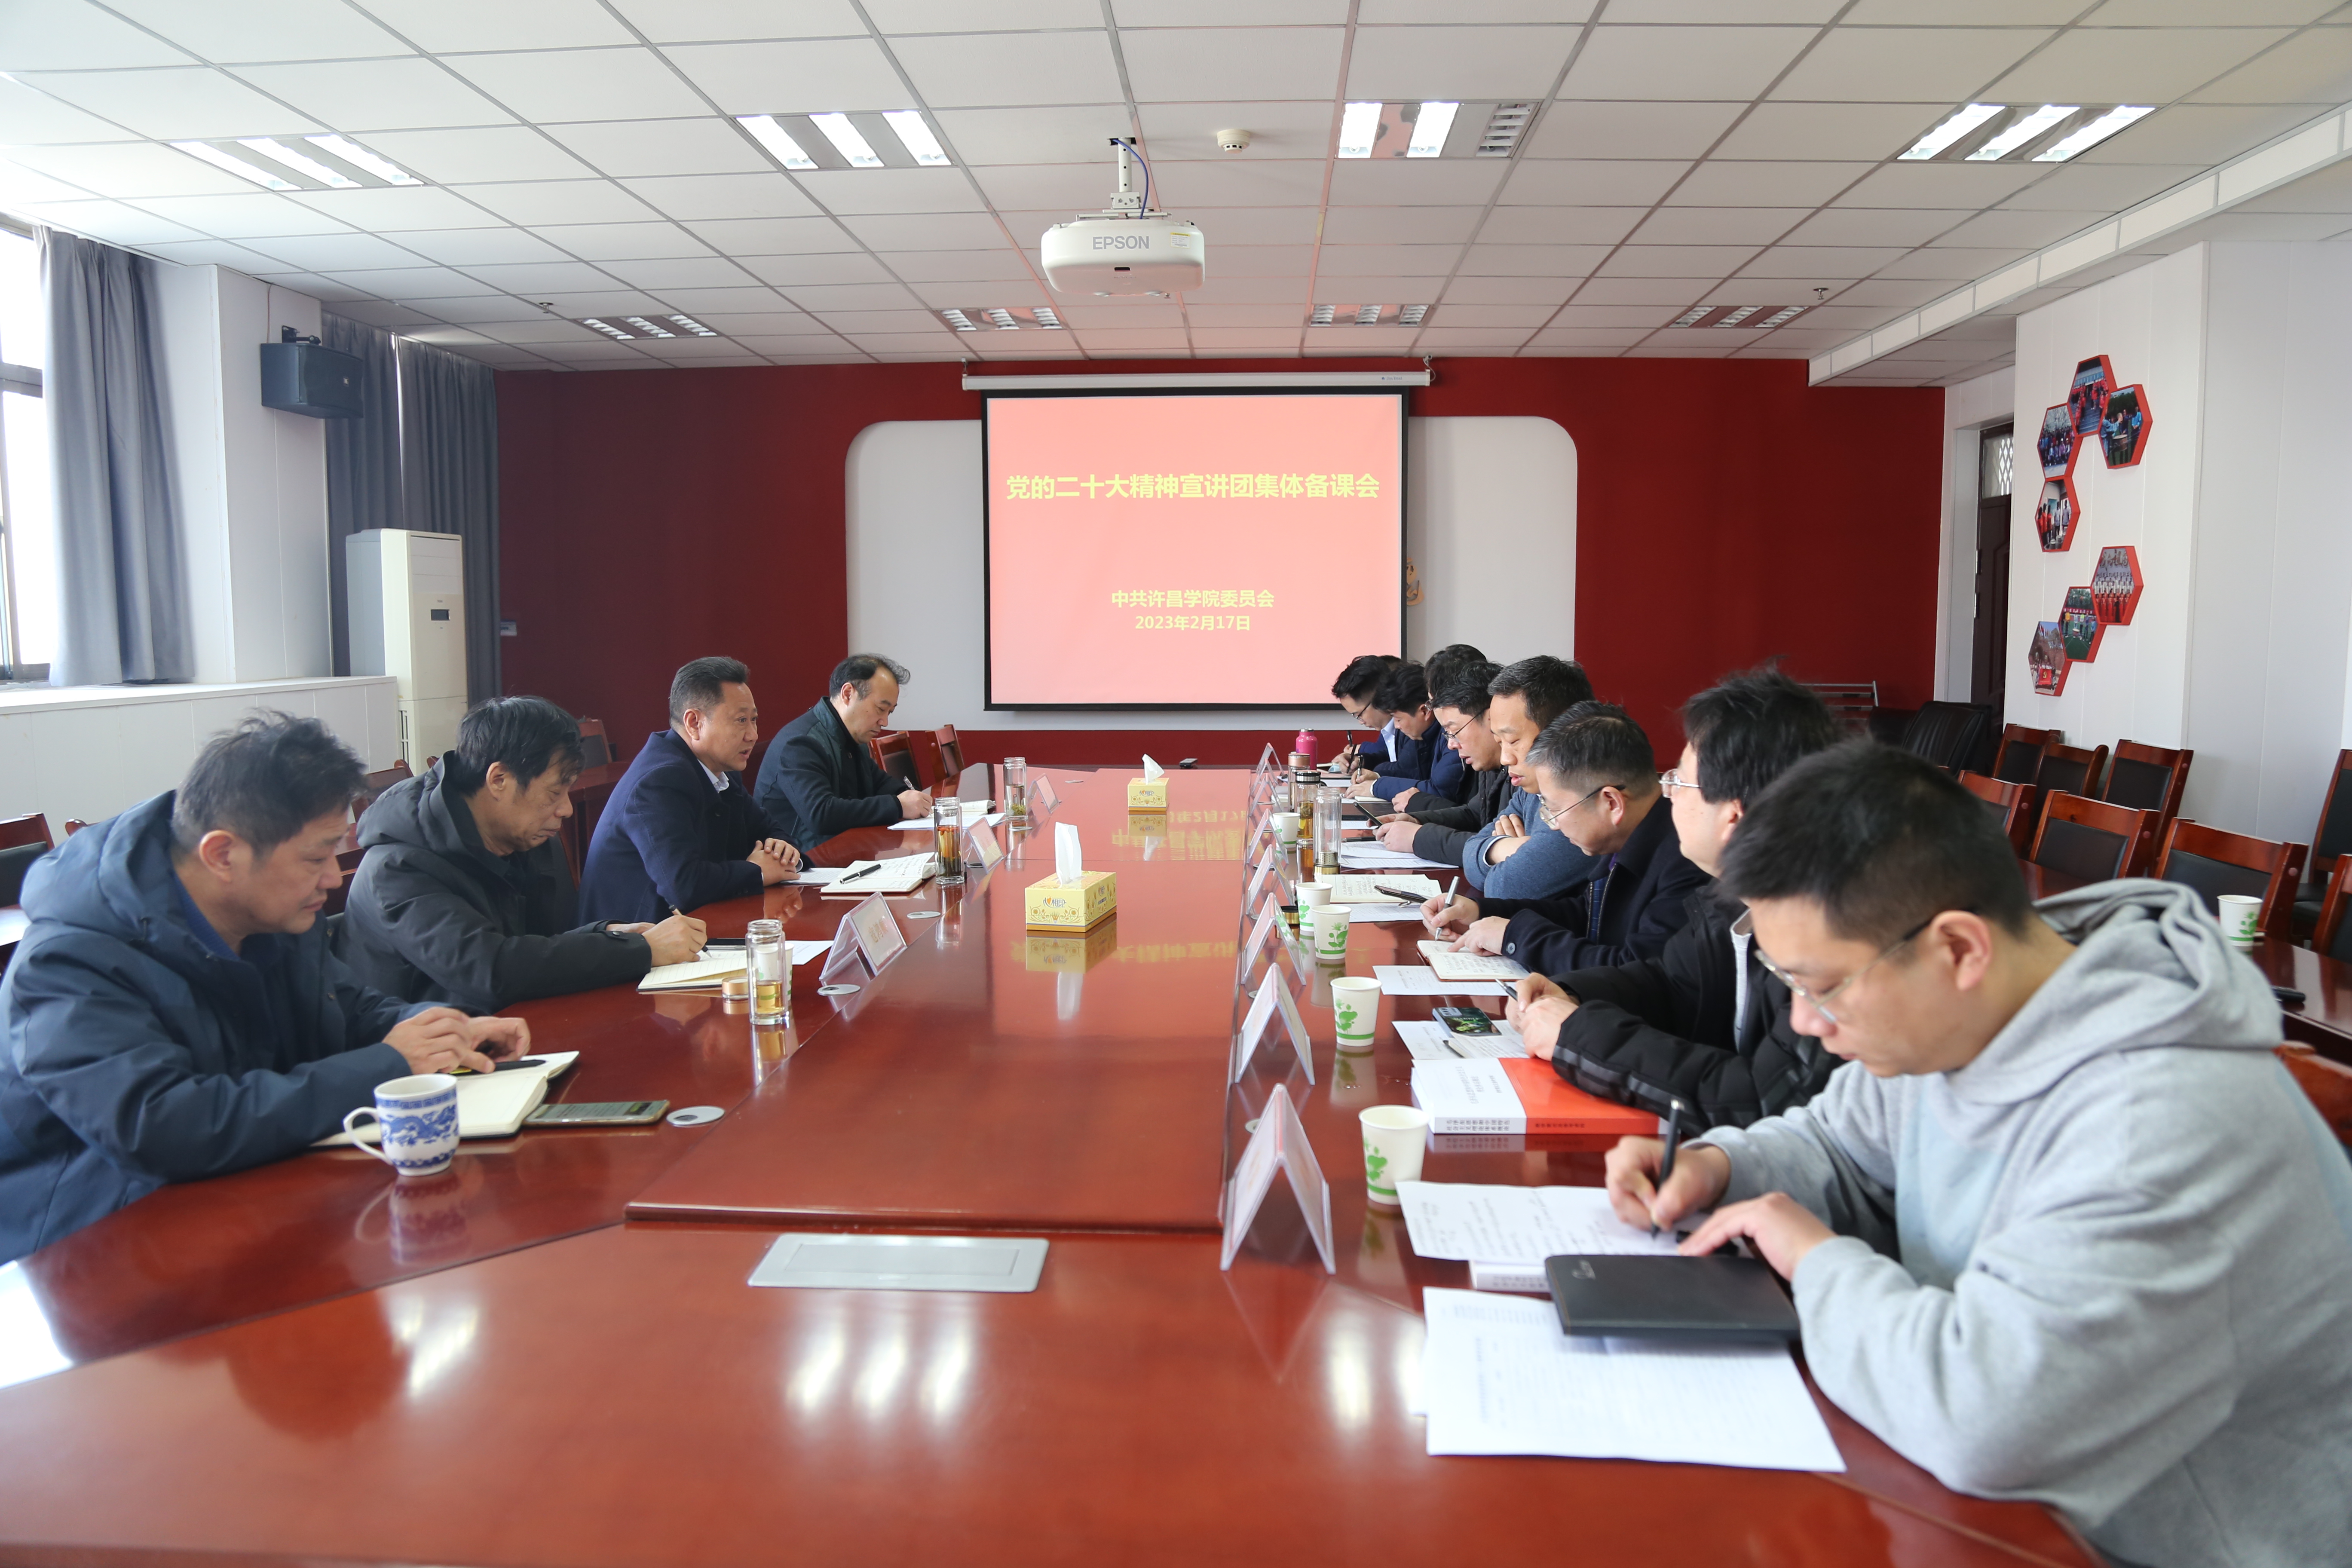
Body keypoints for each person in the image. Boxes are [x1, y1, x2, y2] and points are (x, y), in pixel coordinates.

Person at [1608, 743, 2352, 1568]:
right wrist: (1718, 1164)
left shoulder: (2161, 1121)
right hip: (2001, 1507)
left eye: (1823, 987)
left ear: (1959, 948)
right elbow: (1837, 1141)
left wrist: (1814, 1259)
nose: (1807, 1022)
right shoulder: (1979, 1009)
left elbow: (1984, 1419)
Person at [0, 715, 527, 1262]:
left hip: (243, 1202)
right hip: (92, 1251)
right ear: (222, 855)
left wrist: (440, 1028)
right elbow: (164, 1128)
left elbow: (345, 1009)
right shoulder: (69, 963)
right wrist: (388, 1064)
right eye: (315, 857)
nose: (334, 877)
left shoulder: (273, 913)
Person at [1504, 667, 1841, 1128]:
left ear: (1733, 816)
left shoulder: (1830, 934)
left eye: (1679, 783)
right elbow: (1670, 981)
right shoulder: (1731, 896)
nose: (1666, 793)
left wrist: (1578, 1035)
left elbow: (1760, 1099)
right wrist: (1572, 991)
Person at [342, 696, 708, 1011]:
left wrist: (610, 933)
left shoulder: (523, 836)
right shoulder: (398, 866)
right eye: (553, 793)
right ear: (499, 780)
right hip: (424, 1061)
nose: (566, 810)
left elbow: (542, 947)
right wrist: (639, 950)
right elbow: (490, 971)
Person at [1428, 704, 1706, 974]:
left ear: (1611, 803)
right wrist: (1481, 911)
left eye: (1555, 810)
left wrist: (1516, 937)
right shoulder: (1624, 836)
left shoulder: (1687, 862)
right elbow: (1587, 915)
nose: (1555, 824)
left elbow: (1637, 971)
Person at [579, 657, 801, 926]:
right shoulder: (659, 781)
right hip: (636, 939)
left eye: (754, 720)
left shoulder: (720, 768)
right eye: (741, 720)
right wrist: (757, 871)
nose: (753, 735)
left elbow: (770, 830)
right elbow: (684, 886)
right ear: (694, 723)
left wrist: (781, 850)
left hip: (695, 924)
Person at [754, 653, 932, 849]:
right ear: (848, 694)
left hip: (841, 848)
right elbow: (821, 814)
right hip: (801, 859)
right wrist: (898, 806)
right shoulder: (801, 743)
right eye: (881, 709)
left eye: (890, 712)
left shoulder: (852, 736)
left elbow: (878, 782)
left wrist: (907, 795)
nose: (885, 722)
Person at [1460, 655, 1597, 899]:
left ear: (1563, 729)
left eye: (1513, 741)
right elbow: (1470, 853)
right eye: (1499, 742)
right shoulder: (1531, 789)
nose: (1505, 759)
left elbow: (1503, 888)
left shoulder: (1584, 800)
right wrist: (1509, 847)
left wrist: (1512, 859)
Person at [1375, 661, 1507, 864]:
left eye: (1454, 731)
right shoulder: (1491, 765)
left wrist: (1419, 838)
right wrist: (1417, 820)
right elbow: (1475, 815)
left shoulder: (1526, 769)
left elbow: (1507, 852)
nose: (1452, 745)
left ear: (1491, 718)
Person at [1358, 662, 1446, 805]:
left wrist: (1377, 786)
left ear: (1425, 711)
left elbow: (1440, 791)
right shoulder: (1420, 733)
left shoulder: (1449, 737)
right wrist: (1376, 774)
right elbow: (1410, 772)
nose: (1397, 726)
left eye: (1398, 719)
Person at [1330, 653, 1400, 770]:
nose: (1361, 722)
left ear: (1379, 699)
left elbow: (1408, 770)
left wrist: (1376, 778)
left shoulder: (1409, 725)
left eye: (1359, 715)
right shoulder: (1388, 729)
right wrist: (1361, 762)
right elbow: (1387, 757)